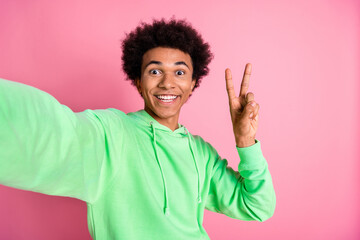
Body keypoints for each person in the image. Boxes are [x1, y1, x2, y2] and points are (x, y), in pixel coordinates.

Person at [0, 18, 275, 239]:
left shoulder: (201, 153)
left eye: (180, 72)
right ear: (138, 81)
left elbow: (258, 206)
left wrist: (246, 141)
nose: (168, 83)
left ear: (193, 84)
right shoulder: (112, 133)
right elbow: (51, 130)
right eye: (155, 71)